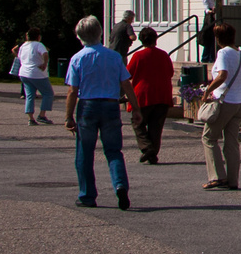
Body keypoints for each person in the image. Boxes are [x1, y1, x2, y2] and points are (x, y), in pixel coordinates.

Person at [64, 15, 141, 209]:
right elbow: (126, 83)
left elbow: (72, 91)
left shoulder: (77, 58)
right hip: (110, 104)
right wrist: (136, 108)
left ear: (79, 36)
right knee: (114, 150)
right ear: (100, 33)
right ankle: (120, 185)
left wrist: (68, 117)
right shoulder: (114, 56)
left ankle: (87, 195)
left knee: (85, 152)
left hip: (88, 105)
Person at [200, 22, 241, 189]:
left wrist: (207, 91)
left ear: (219, 38)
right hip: (240, 101)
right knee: (232, 142)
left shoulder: (223, 53)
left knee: (209, 137)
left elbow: (222, 75)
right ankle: (233, 180)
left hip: (224, 101)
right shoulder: (240, 53)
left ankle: (218, 176)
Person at [125, 27, 175, 164]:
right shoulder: (164, 55)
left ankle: (147, 148)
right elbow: (170, 73)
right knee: (156, 126)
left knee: (138, 123)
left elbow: (127, 74)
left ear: (142, 41)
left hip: (143, 94)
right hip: (162, 94)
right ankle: (152, 153)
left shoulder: (138, 56)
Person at [17, 27, 55, 125]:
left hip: (24, 73)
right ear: (38, 36)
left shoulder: (23, 46)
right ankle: (42, 115)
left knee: (30, 95)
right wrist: (45, 64)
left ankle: (30, 118)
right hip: (37, 73)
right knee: (48, 93)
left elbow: (19, 57)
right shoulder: (38, 44)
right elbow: (45, 54)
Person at [198, 0, 218, 64]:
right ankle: (205, 58)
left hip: (215, 18)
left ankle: (212, 57)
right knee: (209, 39)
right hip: (209, 20)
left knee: (213, 39)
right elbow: (206, 9)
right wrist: (211, 11)